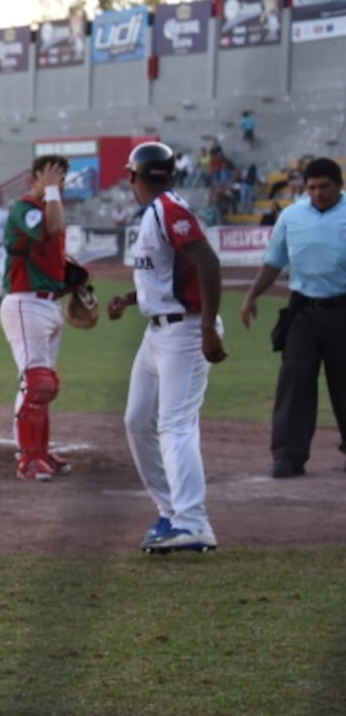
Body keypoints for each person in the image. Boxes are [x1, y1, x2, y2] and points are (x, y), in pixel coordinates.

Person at [106, 142, 228, 554]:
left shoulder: (168, 209)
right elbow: (167, 278)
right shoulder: (159, 211)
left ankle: (193, 523)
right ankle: (172, 510)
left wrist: (209, 327)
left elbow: (207, 263)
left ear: (136, 177)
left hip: (187, 332)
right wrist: (128, 298)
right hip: (158, 332)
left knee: (175, 425)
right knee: (137, 420)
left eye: (131, 176)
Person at [241, 157, 346, 478]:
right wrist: (251, 296)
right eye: (311, 187)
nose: (317, 193)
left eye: (325, 186)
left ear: (339, 185)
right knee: (294, 383)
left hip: (343, 311)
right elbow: (273, 263)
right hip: (303, 312)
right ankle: (288, 456)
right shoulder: (291, 215)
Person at [0, 154, 74, 481]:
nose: (59, 183)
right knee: (36, 383)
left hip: (46, 303)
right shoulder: (23, 208)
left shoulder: (44, 208)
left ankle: (40, 452)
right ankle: (28, 458)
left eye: (62, 178)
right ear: (35, 179)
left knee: (45, 384)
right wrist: (52, 192)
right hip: (24, 302)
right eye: (52, 177)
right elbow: (52, 228)